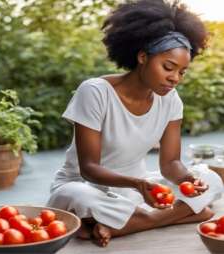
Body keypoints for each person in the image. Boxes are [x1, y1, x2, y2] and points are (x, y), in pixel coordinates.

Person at [47, 0, 223, 247]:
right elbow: (88, 167)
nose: (174, 78)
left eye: (182, 72)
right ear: (142, 57)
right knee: (77, 196)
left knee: (211, 178)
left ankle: (120, 223)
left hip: (139, 193)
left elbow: (171, 163)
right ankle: (172, 216)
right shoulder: (95, 92)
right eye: (168, 67)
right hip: (87, 186)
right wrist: (139, 185)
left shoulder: (171, 101)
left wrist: (189, 179)